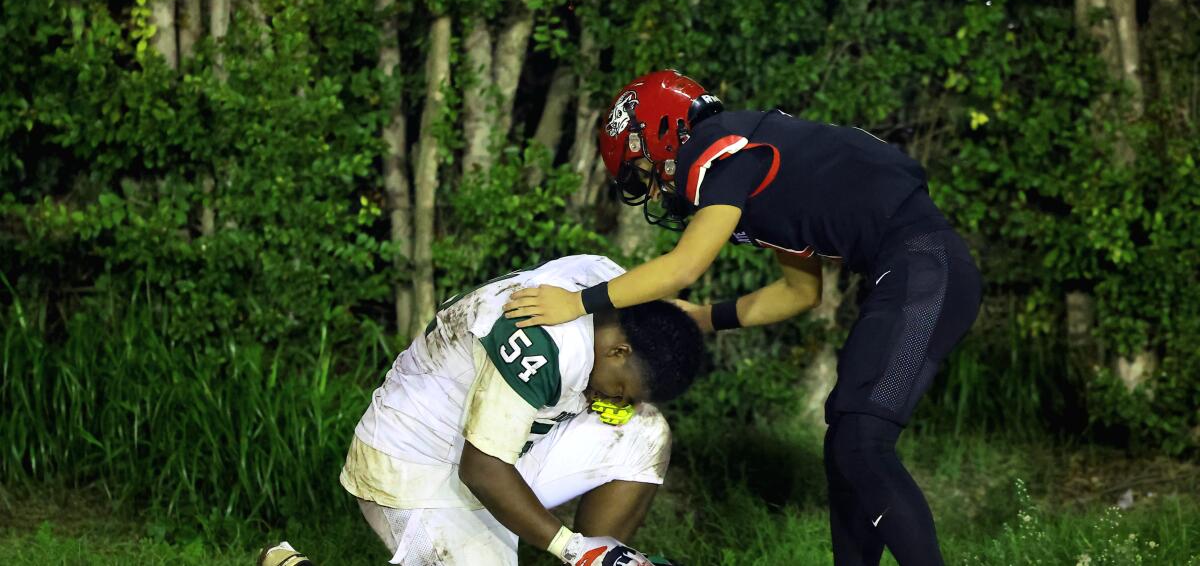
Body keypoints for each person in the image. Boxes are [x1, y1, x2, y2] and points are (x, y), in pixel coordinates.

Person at [503, 70, 982, 566]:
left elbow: (684, 266)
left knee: (861, 443)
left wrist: (578, 303)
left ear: (661, 135)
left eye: (644, 171)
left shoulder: (720, 148)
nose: (653, 191)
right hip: (918, 271)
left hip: (924, 267)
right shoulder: (759, 167)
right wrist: (703, 317)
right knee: (847, 446)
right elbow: (800, 292)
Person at [261, 254, 700, 566]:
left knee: (644, 431)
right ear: (619, 350)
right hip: (422, 465)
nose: (617, 401)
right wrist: (572, 548)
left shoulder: (618, 293)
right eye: (621, 390)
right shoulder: (544, 342)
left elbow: (670, 322)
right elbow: (482, 469)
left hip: (501, 444)